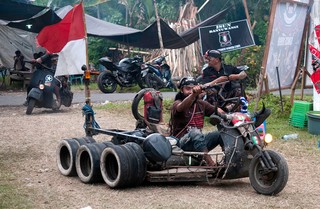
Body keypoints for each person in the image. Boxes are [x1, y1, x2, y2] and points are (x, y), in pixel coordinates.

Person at [169, 77, 224, 166]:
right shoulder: (177, 103)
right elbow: (181, 107)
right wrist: (193, 95)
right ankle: (210, 163)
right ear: (182, 90)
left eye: (193, 89)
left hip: (199, 142)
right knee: (194, 132)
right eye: (188, 89)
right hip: (182, 144)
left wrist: (228, 113)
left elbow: (219, 111)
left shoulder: (201, 104)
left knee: (220, 134)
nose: (191, 91)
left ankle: (227, 162)